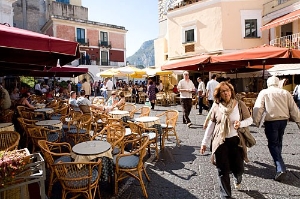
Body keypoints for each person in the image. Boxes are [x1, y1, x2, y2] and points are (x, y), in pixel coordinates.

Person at [200, 81, 253, 199]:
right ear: (218, 94)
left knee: (238, 168)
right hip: (220, 141)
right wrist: (204, 142)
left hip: (236, 141)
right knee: (222, 169)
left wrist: (241, 123)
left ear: (231, 91)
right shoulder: (216, 106)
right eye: (222, 91)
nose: (226, 93)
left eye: (227, 90)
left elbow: (250, 120)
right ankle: (225, 195)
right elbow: (211, 126)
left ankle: (238, 176)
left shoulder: (239, 104)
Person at [253, 76, 300, 181]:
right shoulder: (285, 93)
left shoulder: (264, 92)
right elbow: (294, 109)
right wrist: (298, 122)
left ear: (268, 83)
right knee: (279, 141)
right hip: (283, 121)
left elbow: (258, 108)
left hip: (271, 121)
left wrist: (256, 121)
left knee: (272, 144)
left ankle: (280, 167)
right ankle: (279, 160)